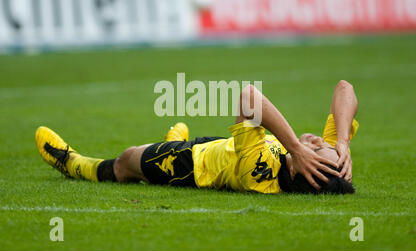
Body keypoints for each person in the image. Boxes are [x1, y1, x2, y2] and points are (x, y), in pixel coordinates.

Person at [35, 80, 359, 194]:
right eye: (325, 144)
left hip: (187, 165)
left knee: (124, 163)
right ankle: (169, 139)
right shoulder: (315, 164)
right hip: (218, 148)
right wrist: (341, 145)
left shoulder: (258, 168)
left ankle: (72, 163)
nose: (319, 141)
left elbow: (248, 96)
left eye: (319, 150)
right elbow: (345, 88)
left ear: (297, 169)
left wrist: (294, 147)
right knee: (167, 145)